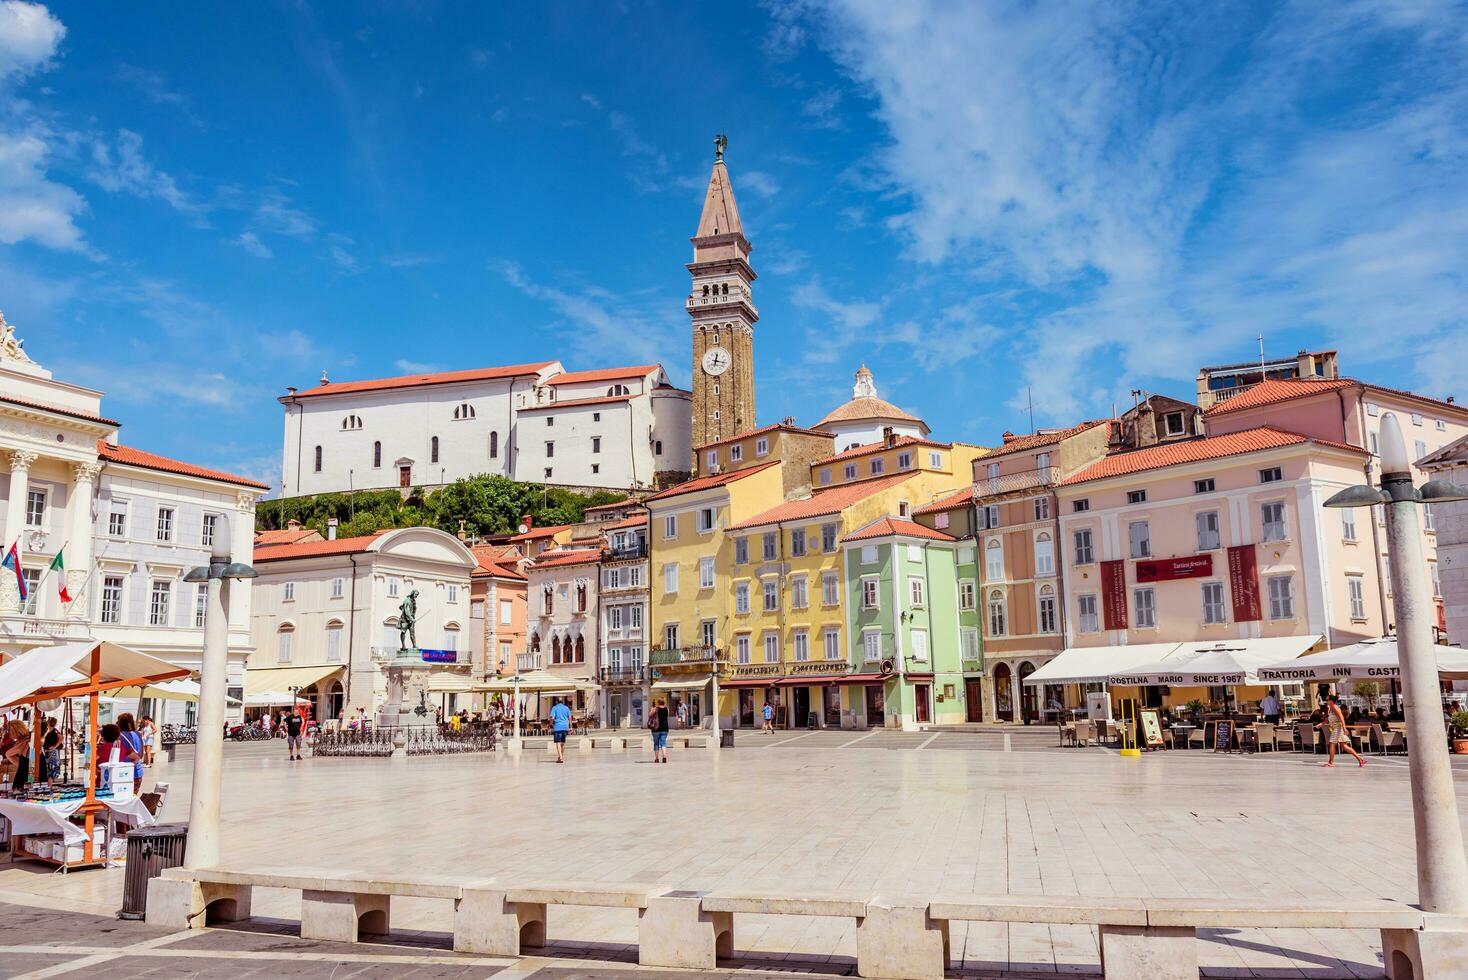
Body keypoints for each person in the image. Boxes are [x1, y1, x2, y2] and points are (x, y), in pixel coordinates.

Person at [1320, 694, 1366, 769]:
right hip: (1335, 728)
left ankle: (1330, 763)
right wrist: (1322, 723)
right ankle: (1360, 759)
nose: (1326, 701)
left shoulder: (1335, 707)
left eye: (1328, 700)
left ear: (1332, 701)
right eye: (1326, 700)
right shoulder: (1330, 708)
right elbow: (1329, 719)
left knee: (1332, 744)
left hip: (1337, 728)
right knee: (1344, 746)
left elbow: (1341, 718)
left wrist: (1344, 728)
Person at [117, 713, 145, 793]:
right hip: (138, 772)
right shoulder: (138, 734)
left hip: (124, 773)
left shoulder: (120, 736)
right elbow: (141, 754)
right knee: (134, 797)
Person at [1, 718, 29, 788]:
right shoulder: (21, 740)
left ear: (15, 731)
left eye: (9, 731)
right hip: (24, 772)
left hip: (28, 774)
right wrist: (21, 767)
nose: (9, 733)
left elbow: (8, 754)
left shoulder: (26, 740)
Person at [549, 697, 573, 763]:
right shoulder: (566, 708)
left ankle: (561, 757)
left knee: (558, 742)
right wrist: (571, 727)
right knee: (563, 742)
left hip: (557, 727)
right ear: (563, 701)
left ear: (556, 701)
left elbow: (552, 718)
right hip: (565, 727)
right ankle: (560, 756)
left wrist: (550, 724)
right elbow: (570, 718)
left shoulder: (554, 708)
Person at [648, 697, 670, 764]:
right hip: (665, 728)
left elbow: (650, 715)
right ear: (664, 702)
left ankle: (657, 758)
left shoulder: (655, 709)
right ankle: (664, 757)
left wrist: (653, 708)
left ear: (658, 702)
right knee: (663, 743)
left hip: (656, 729)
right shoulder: (667, 709)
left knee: (656, 743)